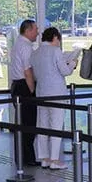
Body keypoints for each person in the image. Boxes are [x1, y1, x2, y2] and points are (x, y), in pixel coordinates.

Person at [30, 27, 77, 169]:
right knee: (56, 125)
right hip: (56, 92)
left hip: (41, 92)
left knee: (42, 125)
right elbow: (65, 71)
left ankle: (44, 158)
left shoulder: (35, 53)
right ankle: (55, 159)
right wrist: (72, 64)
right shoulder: (55, 51)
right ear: (55, 37)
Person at [9, 19, 39, 166]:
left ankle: (22, 157)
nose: (38, 32)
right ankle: (28, 158)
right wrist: (32, 90)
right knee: (28, 124)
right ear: (27, 31)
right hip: (24, 86)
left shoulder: (18, 44)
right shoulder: (25, 47)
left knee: (22, 123)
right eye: (35, 29)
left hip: (17, 85)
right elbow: (27, 71)